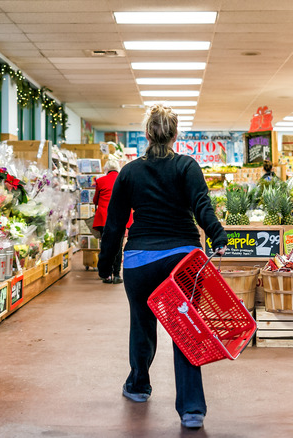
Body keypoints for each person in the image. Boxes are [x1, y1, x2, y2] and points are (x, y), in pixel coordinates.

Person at [97, 103, 228, 430]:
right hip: (183, 260)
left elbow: (113, 224)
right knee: (186, 330)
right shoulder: (188, 166)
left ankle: (139, 386)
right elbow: (202, 206)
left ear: (146, 134)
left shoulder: (128, 171)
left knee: (142, 325)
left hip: (140, 260)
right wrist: (218, 236)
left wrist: (106, 265)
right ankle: (192, 409)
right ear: (175, 135)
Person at [92, 159, 125, 284]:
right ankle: (117, 274)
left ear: (106, 169)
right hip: (119, 218)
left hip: (103, 218)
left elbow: (95, 200)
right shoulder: (123, 179)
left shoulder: (100, 181)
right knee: (118, 246)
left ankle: (106, 275)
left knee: (106, 246)